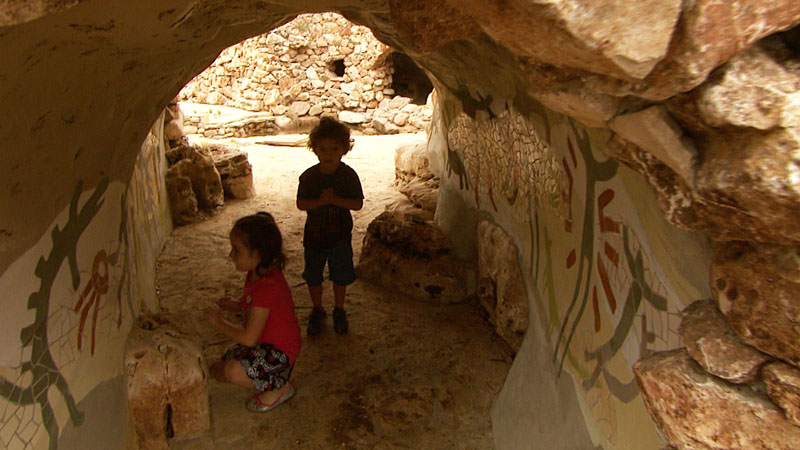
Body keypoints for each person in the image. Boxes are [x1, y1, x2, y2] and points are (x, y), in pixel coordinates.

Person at [205, 212, 302, 413]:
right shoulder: (256, 273)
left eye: (236, 251)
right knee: (222, 364)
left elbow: (249, 338)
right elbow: (256, 308)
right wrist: (235, 305)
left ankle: (279, 387)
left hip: (279, 353)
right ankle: (271, 378)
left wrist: (219, 323)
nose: (231, 255)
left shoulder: (268, 286)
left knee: (232, 372)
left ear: (257, 255)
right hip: (265, 343)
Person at [296, 116, 364, 335]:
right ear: (314, 150)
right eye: (323, 149)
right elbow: (300, 204)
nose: (328, 154)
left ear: (344, 150)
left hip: (339, 237)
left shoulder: (348, 176)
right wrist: (320, 202)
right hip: (314, 238)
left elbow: (357, 204)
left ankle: (338, 309)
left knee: (340, 275)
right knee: (313, 275)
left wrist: (335, 200)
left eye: (334, 148)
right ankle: (317, 309)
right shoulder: (308, 177)